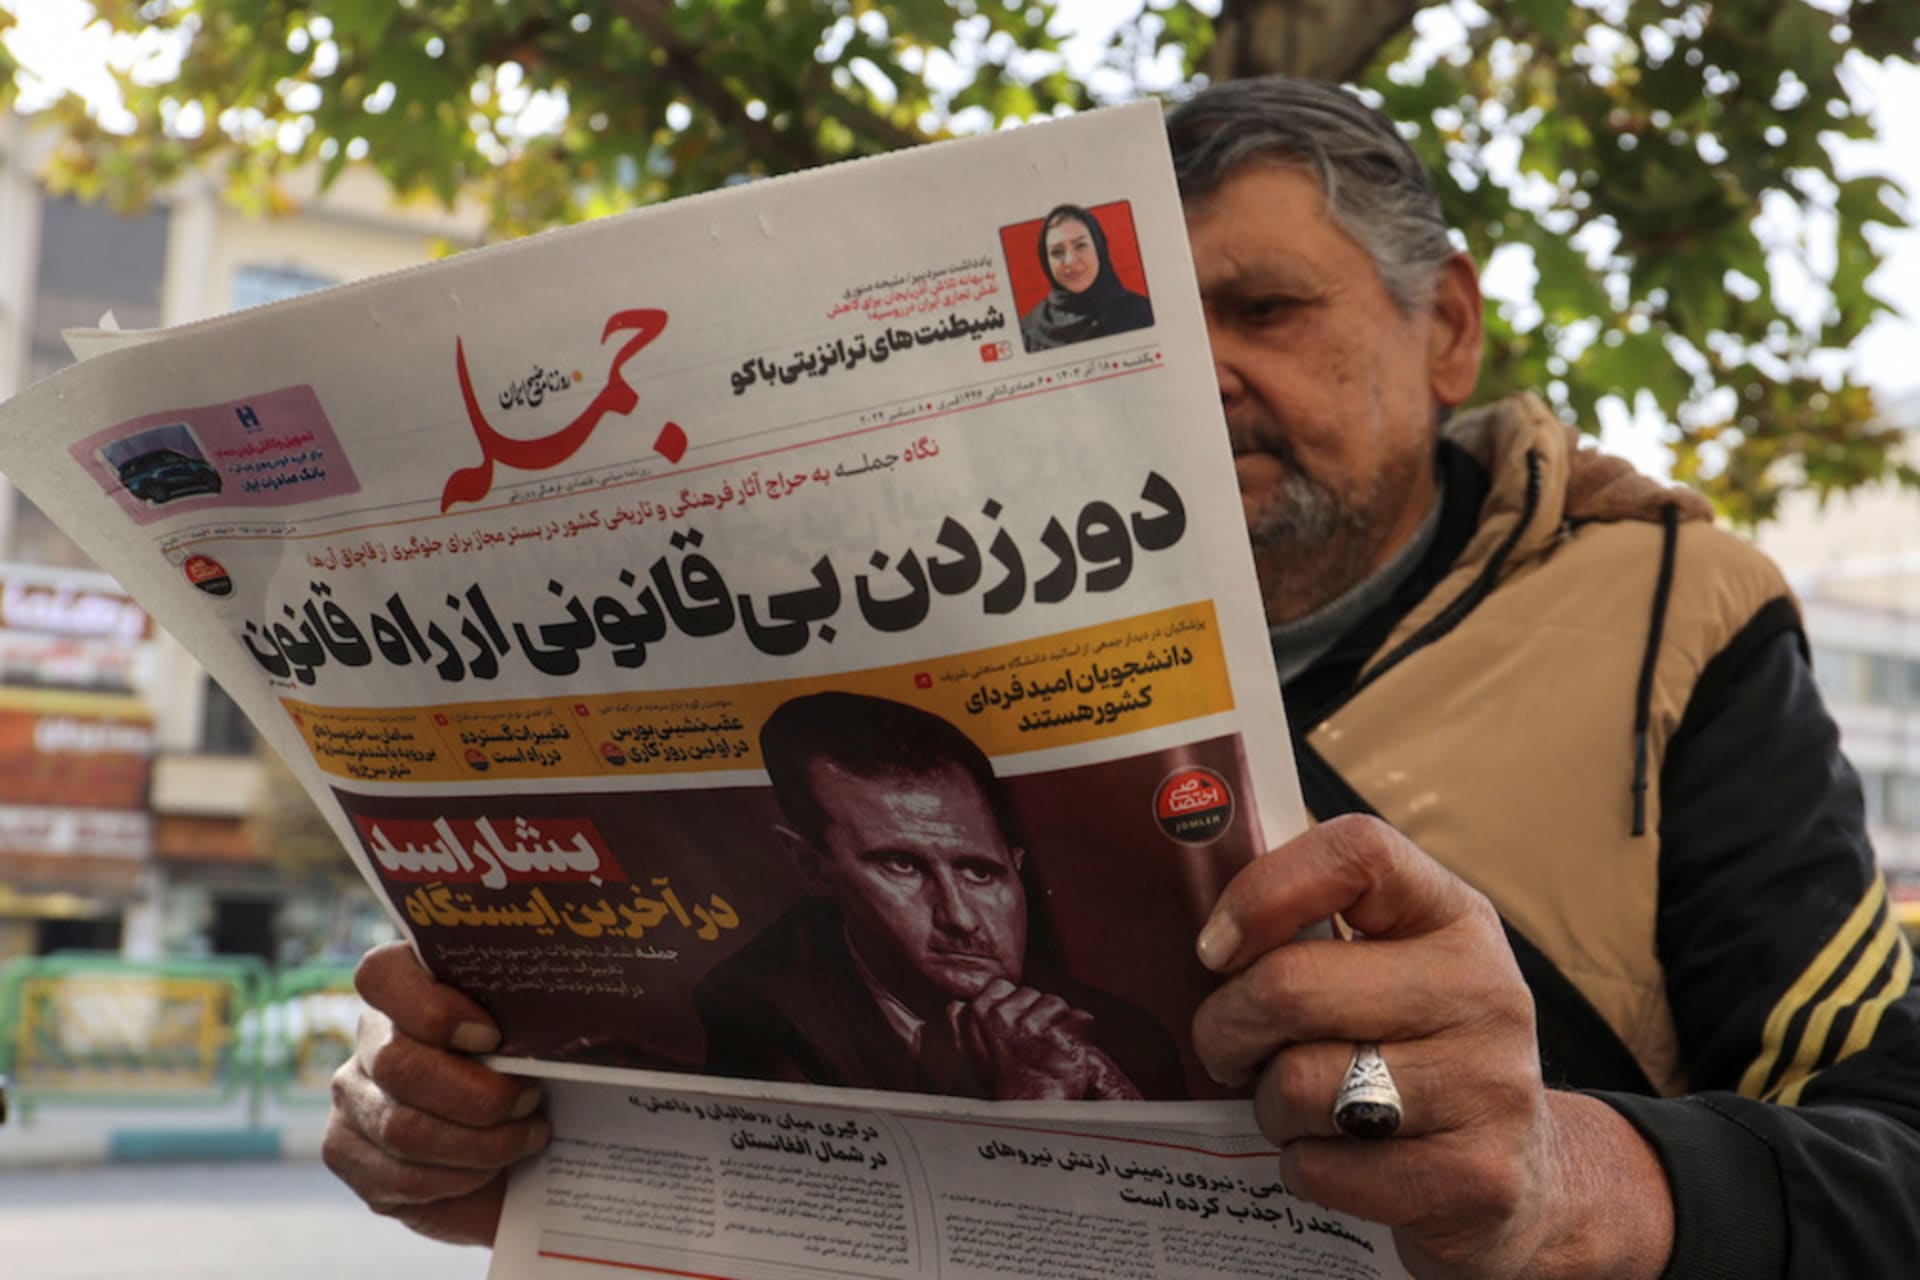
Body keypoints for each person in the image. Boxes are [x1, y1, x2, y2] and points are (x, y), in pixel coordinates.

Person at [323, 74, 1920, 1277]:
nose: (1192, 375)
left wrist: (1576, 1174)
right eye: (1127, 330)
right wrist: (484, 1126)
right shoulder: (915, 628)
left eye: (1265, 308)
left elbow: (1892, 1159)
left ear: (1446, 329)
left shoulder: (1668, 613)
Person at [693, 690, 1185, 1100]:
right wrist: (1031, 1111)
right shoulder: (760, 1015)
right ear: (811, 867)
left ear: (1015, 868)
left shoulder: (1127, 1037)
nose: (961, 919)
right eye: (902, 865)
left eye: (979, 872)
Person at [1016, 203, 1156, 352]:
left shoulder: (1143, 313)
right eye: (1057, 252)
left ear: (1099, 248)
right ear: (1046, 261)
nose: (1070, 261)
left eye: (1080, 245)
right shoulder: (1029, 332)